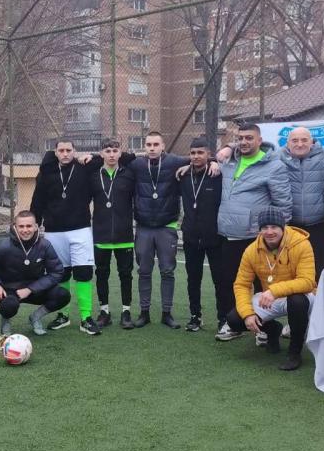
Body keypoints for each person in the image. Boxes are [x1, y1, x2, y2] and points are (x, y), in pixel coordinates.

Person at [128, 131, 217, 329]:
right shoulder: (137, 164)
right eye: (148, 144)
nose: (152, 148)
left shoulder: (174, 161)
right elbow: (115, 158)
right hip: (143, 226)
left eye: (156, 144)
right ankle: (144, 313)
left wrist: (213, 162)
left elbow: (200, 159)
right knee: (144, 271)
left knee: (167, 271)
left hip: (166, 226)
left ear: (163, 146)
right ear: (145, 146)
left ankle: (166, 314)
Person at [214, 123, 291, 341]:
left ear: (259, 140)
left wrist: (276, 236)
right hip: (228, 234)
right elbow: (204, 160)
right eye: (240, 138)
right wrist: (224, 151)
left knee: (261, 285)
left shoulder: (274, 166)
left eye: (249, 138)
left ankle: (263, 328)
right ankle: (232, 324)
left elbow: (283, 204)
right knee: (229, 282)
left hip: (255, 237)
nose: (244, 142)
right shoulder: (229, 160)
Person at [224, 208, 316, 371]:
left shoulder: (301, 244)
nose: (269, 232)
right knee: (235, 319)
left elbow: (307, 282)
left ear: (283, 227)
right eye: (265, 227)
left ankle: (294, 352)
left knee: (297, 301)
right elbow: (242, 284)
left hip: (300, 295)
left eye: (274, 227)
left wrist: (274, 291)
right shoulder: (251, 250)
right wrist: (248, 314)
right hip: (270, 297)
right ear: (260, 230)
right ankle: (273, 330)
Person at [31, 139, 104, 335]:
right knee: (60, 273)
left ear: (74, 151)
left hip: (80, 229)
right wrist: (35, 223)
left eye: (68, 150)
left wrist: (91, 156)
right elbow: (38, 199)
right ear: (55, 152)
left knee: (83, 272)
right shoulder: (46, 171)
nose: (65, 153)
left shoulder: (83, 167)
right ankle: (62, 315)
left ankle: (86, 318)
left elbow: (101, 160)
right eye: (61, 150)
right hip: (54, 231)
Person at [0, 211, 70, 336]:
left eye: (29, 226)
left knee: (62, 295)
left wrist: (31, 289)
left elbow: (56, 272)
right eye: (21, 226)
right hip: (10, 290)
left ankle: (35, 317)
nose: (25, 230)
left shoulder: (45, 245)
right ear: (15, 227)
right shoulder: (3, 246)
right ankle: (5, 322)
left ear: (36, 227)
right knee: (9, 305)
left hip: (35, 289)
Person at [178, 137, 225, 332]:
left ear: (208, 154)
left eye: (200, 153)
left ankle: (223, 319)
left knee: (220, 280)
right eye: (193, 153)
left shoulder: (217, 174)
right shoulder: (183, 175)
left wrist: (215, 163)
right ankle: (195, 316)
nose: (196, 156)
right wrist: (185, 165)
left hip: (214, 236)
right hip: (190, 236)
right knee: (193, 279)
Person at [89, 138, 137, 330]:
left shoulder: (129, 174)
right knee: (101, 274)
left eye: (115, 151)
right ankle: (104, 312)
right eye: (107, 151)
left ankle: (126, 312)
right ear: (101, 153)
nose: (111, 154)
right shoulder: (93, 175)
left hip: (124, 236)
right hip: (101, 235)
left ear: (120, 153)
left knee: (126, 275)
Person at [277, 127, 324, 281]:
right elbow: (252, 150)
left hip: (317, 226)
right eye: (295, 140)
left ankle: (317, 297)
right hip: (289, 227)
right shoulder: (277, 158)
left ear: (312, 142)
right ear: (288, 143)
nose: (299, 144)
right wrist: (228, 148)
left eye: (304, 140)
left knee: (317, 272)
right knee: (288, 273)